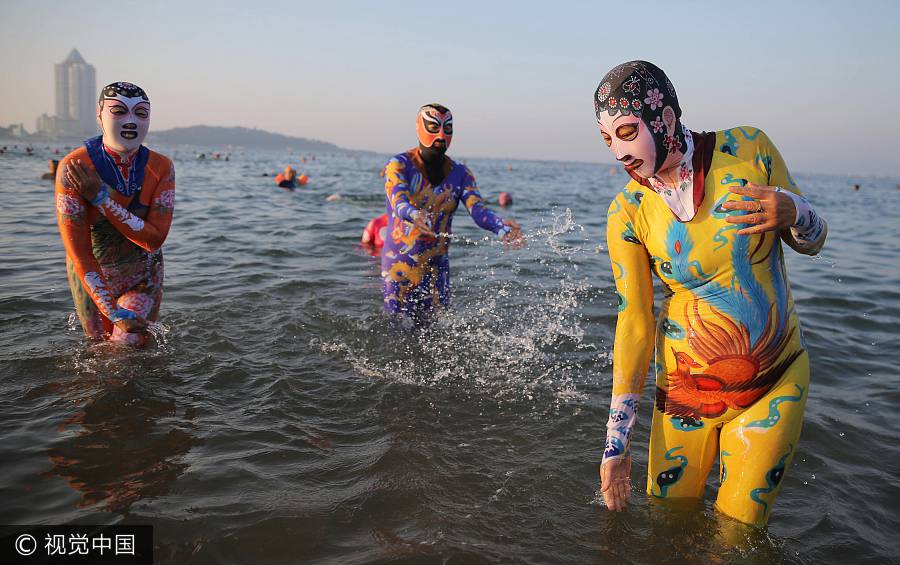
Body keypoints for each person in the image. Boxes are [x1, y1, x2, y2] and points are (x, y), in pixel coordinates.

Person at [593, 61, 827, 526]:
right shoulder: (628, 211)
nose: (619, 152)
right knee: (667, 526)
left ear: (665, 118)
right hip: (682, 399)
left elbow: (814, 241)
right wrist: (616, 442)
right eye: (607, 140)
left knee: (737, 536)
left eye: (625, 131)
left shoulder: (749, 150)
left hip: (772, 386)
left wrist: (794, 210)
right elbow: (634, 324)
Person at [55, 81, 175, 346]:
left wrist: (100, 198)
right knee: (97, 354)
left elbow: (154, 239)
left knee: (128, 347)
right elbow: (79, 254)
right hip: (91, 276)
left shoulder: (161, 167)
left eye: (141, 113)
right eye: (119, 111)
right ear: (99, 116)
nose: (131, 121)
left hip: (143, 274)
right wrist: (111, 310)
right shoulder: (74, 168)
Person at [382, 103, 522, 320]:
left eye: (447, 129)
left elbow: (478, 211)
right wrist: (414, 214)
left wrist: (502, 228)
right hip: (400, 266)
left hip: (438, 267)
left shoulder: (461, 173)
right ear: (419, 127)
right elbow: (397, 201)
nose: (440, 135)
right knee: (397, 331)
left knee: (437, 332)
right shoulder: (399, 165)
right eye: (433, 127)